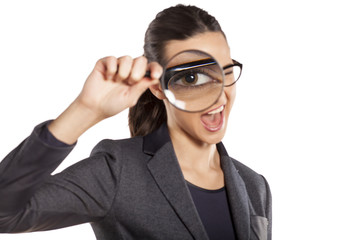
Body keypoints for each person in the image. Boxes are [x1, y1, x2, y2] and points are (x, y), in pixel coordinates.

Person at [0, 4, 271, 240]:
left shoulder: (254, 185)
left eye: (224, 71)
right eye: (192, 78)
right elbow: (4, 213)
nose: (219, 94)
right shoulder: (119, 172)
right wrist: (85, 109)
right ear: (158, 88)